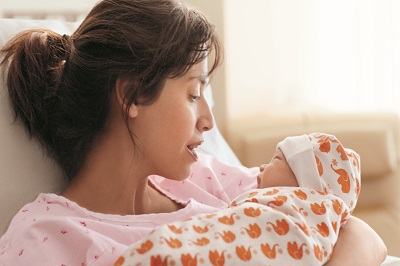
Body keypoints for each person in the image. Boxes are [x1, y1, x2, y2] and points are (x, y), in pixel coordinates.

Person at [0, 0, 386, 265]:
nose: (208, 121)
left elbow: (356, 232)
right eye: (193, 94)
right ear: (132, 94)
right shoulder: (45, 237)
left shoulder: (208, 178)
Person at [114, 133, 361, 265]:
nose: (262, 166)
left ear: (303, 178)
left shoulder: (308, 212)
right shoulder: (246, 190)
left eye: (276, 160)